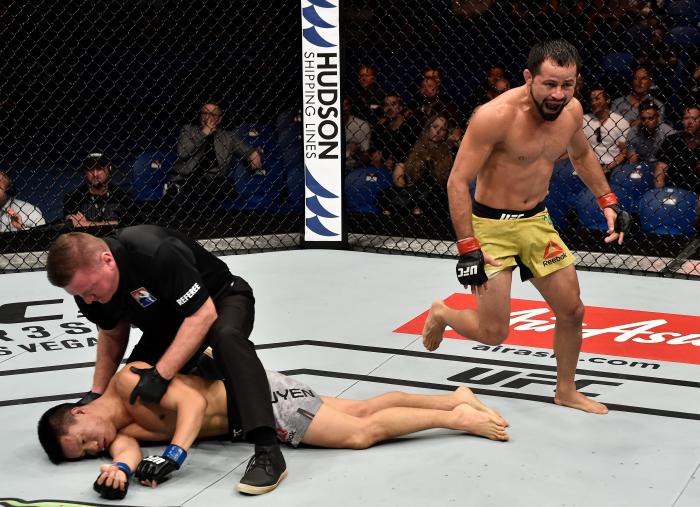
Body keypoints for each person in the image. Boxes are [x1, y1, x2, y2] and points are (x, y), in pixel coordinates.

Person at [421, 40, 631, 415]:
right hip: (490, 226)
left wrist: (608, 200)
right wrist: (467, 246)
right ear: (528, 77)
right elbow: (457, 181)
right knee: (493, 333)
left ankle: (565, 389)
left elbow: (582, 156)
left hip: (535, 221)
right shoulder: (494, 116)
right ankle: (442, 312)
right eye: (549, 84)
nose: (559, 94)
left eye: (567, 85)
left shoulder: (571, 112)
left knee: (572, 311)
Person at [37, 360, 509, 500]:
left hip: (262, 402)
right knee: (363, 410)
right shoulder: (122, 429)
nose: (92, 448)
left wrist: (177, 454)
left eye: (84, 442)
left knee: (359, 433)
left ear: (77, 413)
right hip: (260, 400)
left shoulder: (129, 382)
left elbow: (194, 402)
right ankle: (454, 398)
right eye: (86, 455)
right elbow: (124, 451)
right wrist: (117, 472)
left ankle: (454, 420)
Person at [44, 225, 287, 494]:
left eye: (89, 289)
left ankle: (268, 451)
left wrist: (162, 373)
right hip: (168, 326)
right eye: (79, 295)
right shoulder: (87, 290)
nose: (87, 300)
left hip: (220, 301)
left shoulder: (155, 252)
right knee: (133, 391)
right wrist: (97, 393)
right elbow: (112, 334)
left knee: (226, 337)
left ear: (107, 260)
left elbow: (202, 316)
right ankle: (202, 366)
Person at [166, 102, 262, 211]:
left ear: (219, 119)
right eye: (205, 113)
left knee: (225, 186)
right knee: (181, 192)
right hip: (187, 178)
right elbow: (183, 153)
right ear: (201, 116)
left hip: (214, 182)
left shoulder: (227, 137)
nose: (209, 117)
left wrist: (254, 153)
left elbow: (246, 149)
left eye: (213, 114)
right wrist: (204, 133)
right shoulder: (188, 130)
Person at [63, 153, 134, 228]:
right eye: (90, 169)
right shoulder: (73, 197)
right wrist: (115, 223)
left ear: (109, 169)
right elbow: (73, 225)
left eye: (100, 168)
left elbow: (129, 225)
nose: (95, 174)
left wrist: (86, 224)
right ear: (85, 171)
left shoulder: (122, 196)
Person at [583, 86, 630, 174]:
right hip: (589, 164)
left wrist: (607, 168)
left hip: (614, 165)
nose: (593, 102)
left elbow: (623, 152)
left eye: (597, 99)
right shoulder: (584, 120)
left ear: (607, 100)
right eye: (591, 99)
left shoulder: (620, 122)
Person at [627, 101, 675, 167]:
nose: (646, 122)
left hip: (662, 167)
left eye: (650, 118)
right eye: (643, 119)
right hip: (641, 166)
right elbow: (632, 159)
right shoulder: (634, 131)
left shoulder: (669, 133)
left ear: (658, 117)